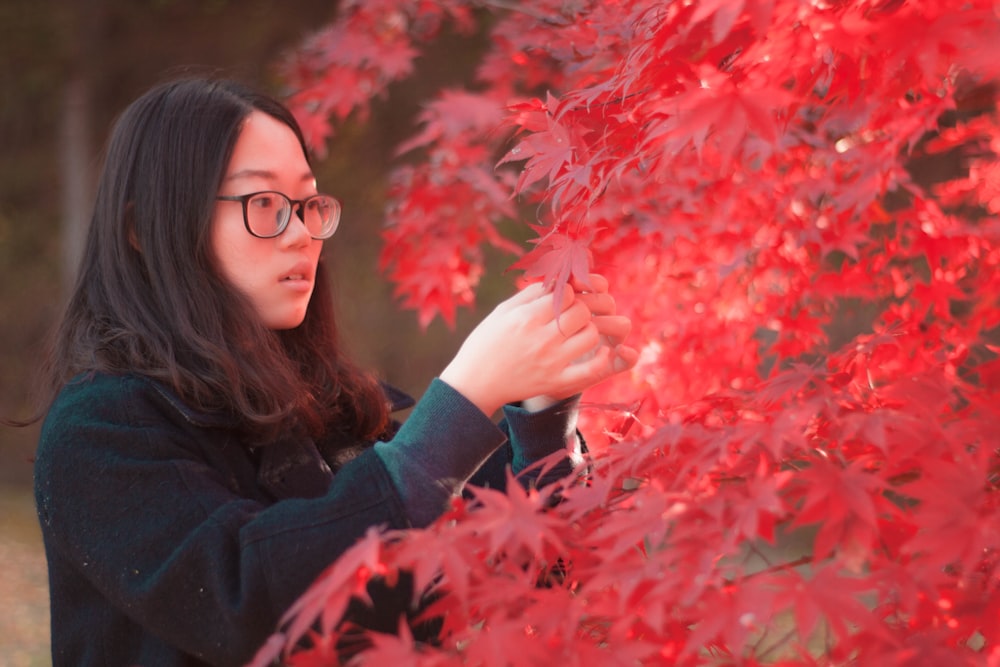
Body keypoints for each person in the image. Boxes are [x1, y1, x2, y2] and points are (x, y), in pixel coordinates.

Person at [28, 77, 637, 667]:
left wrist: (543, 411)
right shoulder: (101, 431)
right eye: (263, 204)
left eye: (306, 204)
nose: (301, 235)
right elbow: (251, 604)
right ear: (144, 230)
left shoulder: (326, 414)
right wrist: (464, 397)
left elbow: (491, 586)